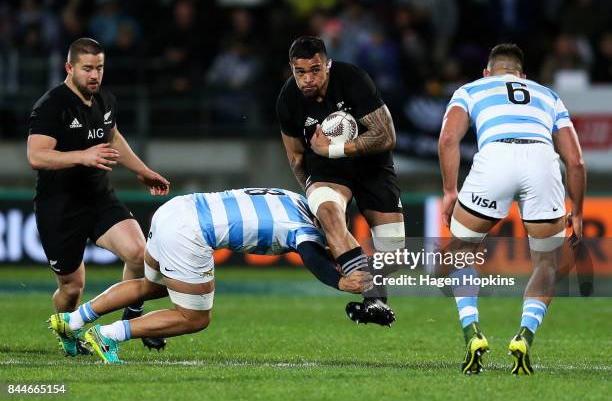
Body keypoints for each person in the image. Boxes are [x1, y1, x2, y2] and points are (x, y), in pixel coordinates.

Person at [48, 188, 374, 363]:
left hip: (177, 209)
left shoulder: (296, 199)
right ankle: (108, 336)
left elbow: (327, 248)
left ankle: (74, 321)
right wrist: (340, 281)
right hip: (191, 232)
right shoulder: (306, 230)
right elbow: (314, 258)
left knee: (151, 286)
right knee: (194, 317)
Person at [438, 44, 586, 375]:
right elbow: (575, 161)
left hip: (496, 158)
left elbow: (448, 139)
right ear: (522, 76)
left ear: (487, 73)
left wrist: (450, 191)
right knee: (546, 262)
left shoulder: (470, 89)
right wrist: (576, 210)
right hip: (541, 160)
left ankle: (472, 332)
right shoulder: (548, 95)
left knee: (460, 254)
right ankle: (524, 336)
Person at [27, 38, 171, 355]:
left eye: (100, 68)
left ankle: (132, 314)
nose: (95, 75)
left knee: (139, 253)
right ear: (69, 68)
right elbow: (37, 156)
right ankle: (67, 331)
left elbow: (113, 137)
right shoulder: (51, 105)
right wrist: (83, 156)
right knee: (71, 286)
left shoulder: (104, 100)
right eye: (88, 68)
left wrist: (142, 170)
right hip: (60, 205)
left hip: (99, 196)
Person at [276, 36, 404, 324]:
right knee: (331, 216)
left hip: (373, 167)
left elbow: (386, 136)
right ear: (292, 70)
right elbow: (296, 158)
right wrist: (315, 201)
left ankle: (369, 288)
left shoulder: (353, 79)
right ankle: (374, 300)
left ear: (327, 65)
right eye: (300, 72)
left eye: (315, 70)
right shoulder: (287, 99)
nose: (308, 79)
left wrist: (333, 148)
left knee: (394, 255)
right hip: (326, 171)